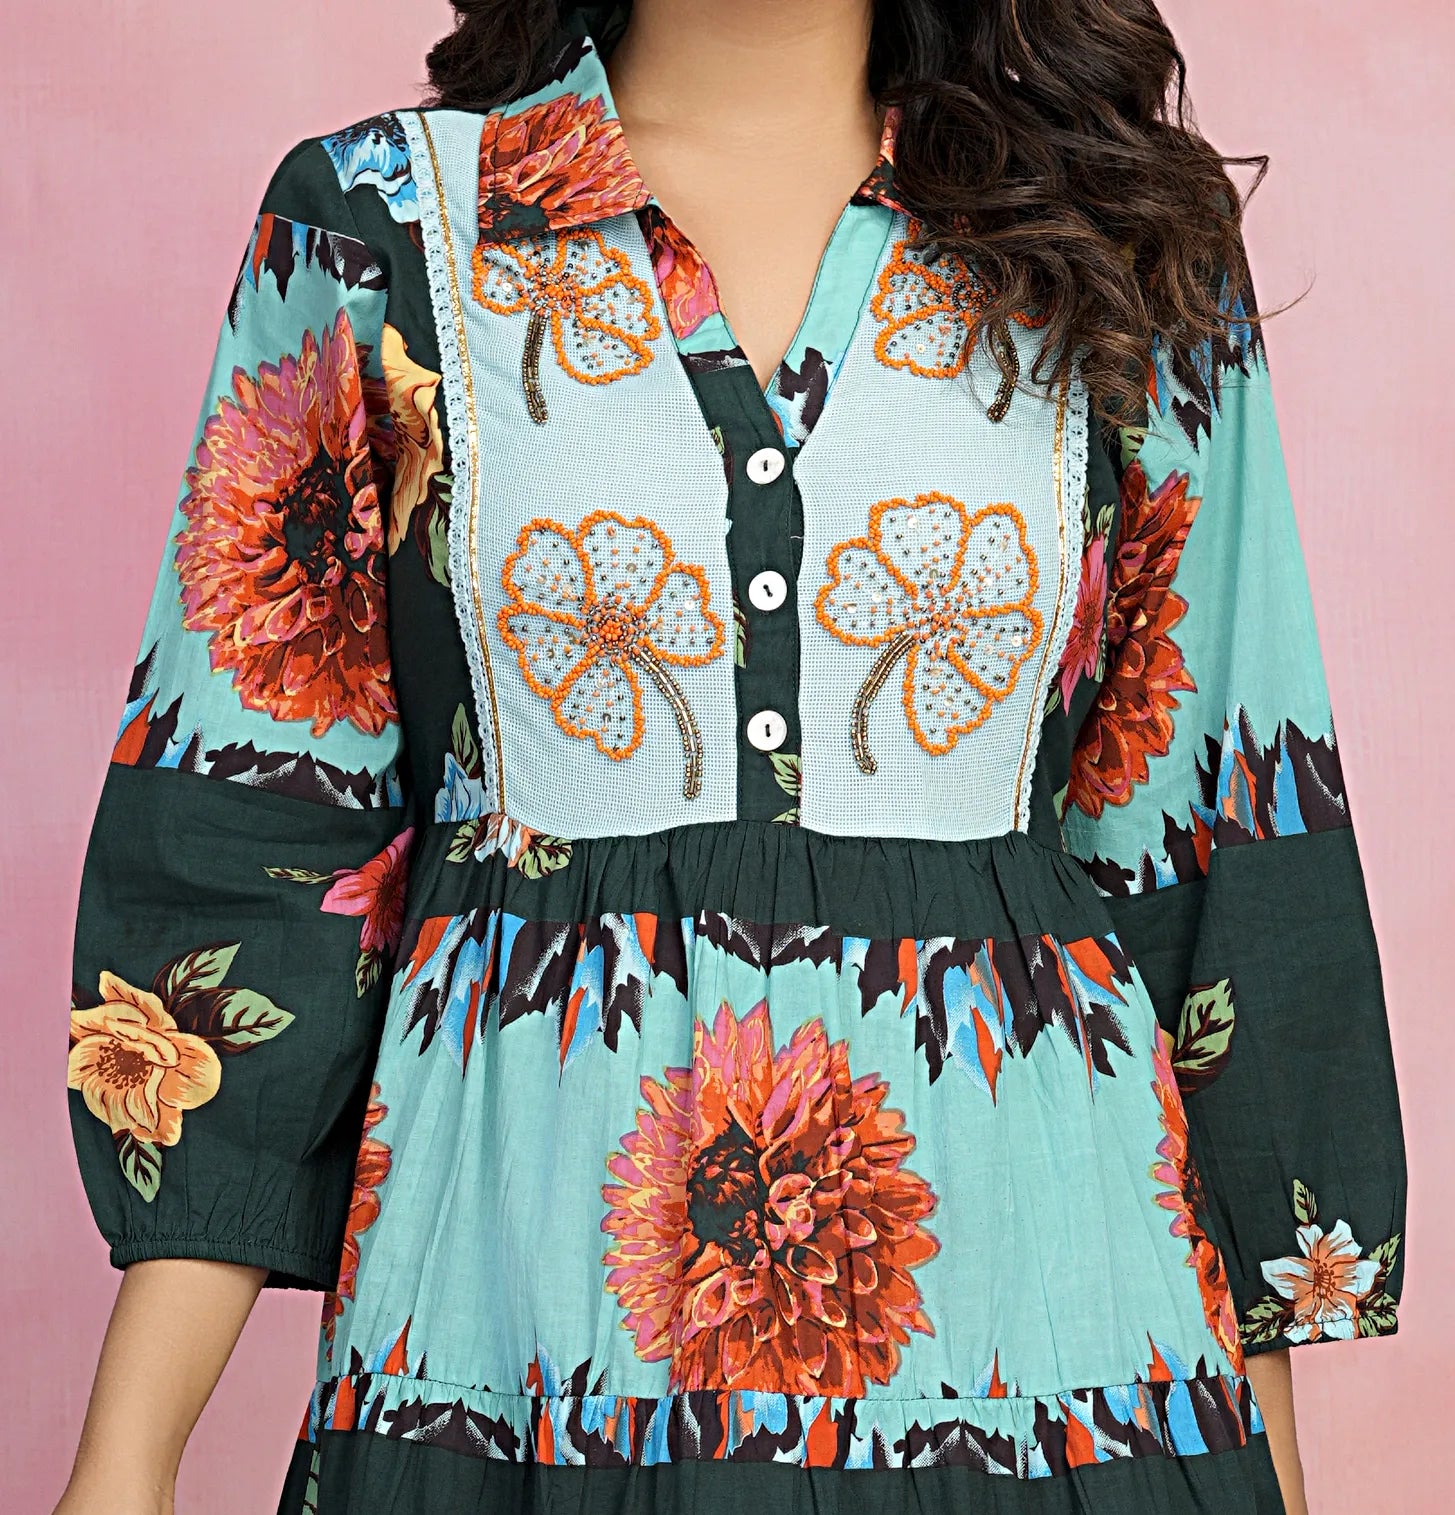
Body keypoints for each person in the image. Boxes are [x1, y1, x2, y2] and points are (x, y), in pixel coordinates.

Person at [55, 2, 1407, 1512]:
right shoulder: (384, 226)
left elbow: (1215, 853)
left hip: (1059, 1364)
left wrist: (1274, 1470)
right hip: (520, 1351)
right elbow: (253, 828)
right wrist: (127, 1460)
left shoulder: (1118, 240)